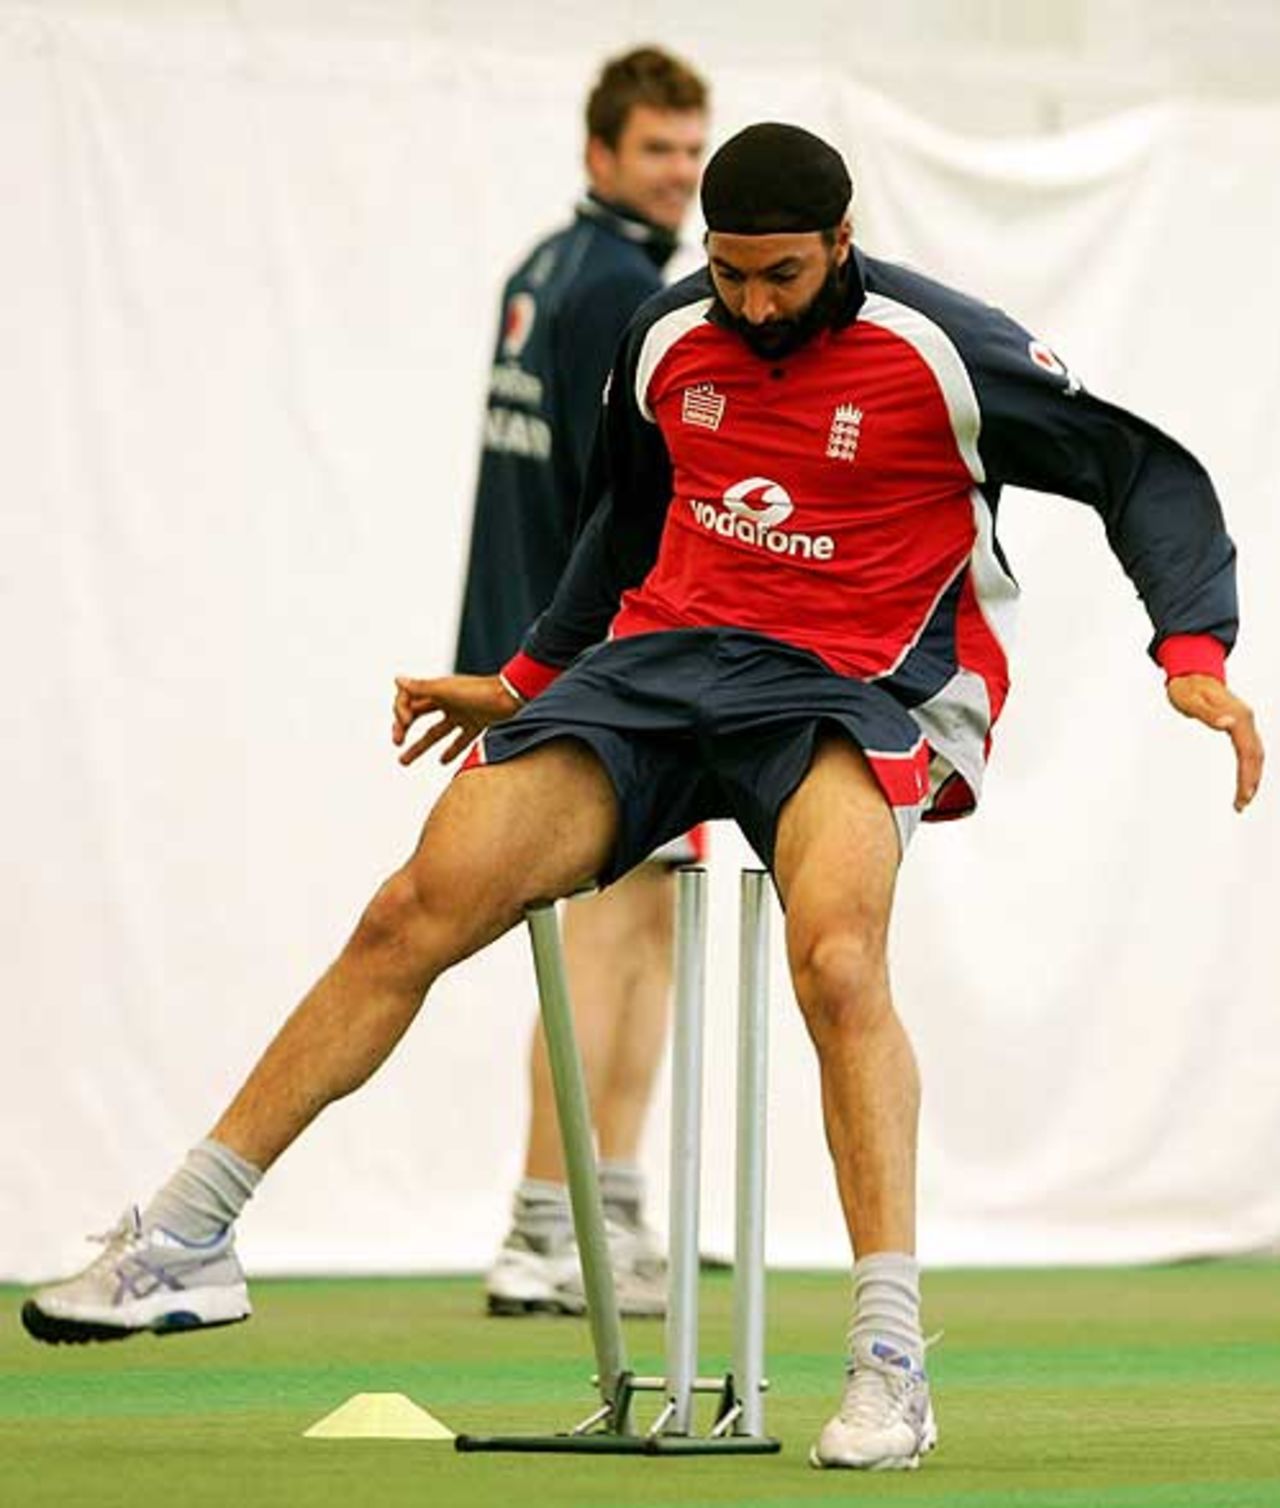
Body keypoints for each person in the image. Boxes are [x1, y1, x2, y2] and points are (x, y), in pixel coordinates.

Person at [22, 124, 1262, 1474]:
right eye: (730, 276)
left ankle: (890, 1364)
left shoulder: (943, 350)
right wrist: (529, 676)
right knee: (414, 905)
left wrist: (1190, 654)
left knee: (840, 962)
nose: (753, 306)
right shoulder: (669, 333)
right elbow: (621, 517)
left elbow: (1143, 470)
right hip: (666, 666)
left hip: (858, 686)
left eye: (781, 276)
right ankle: (189, 1235)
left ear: (843, 244)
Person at [452, 45, 708, 1319]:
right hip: (602, 664)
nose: (679, 175)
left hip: (549, 653)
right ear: (598, 152)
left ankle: (596, 1213)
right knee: (606, 941)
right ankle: (548, 1227)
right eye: (656, 149)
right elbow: (627, 503)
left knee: (627, 936)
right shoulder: (622, 291)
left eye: (690, 150)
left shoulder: (541, 270)